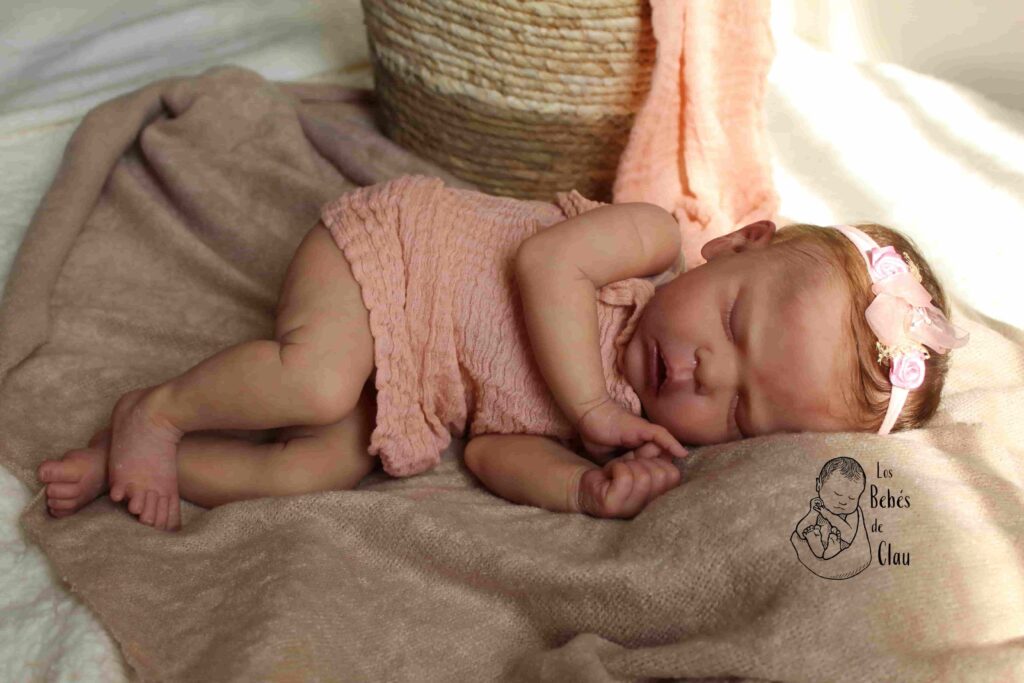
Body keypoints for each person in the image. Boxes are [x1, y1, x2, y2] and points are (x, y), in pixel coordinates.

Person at [35, 175, 968, 530]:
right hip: (401, 256)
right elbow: (544, 263)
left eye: (738, 409)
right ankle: (157, 408)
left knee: (316, 466)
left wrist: (584, 487)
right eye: (730, 324)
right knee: (315, 383)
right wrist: (592, 410)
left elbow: (488, 449)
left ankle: (140, 458)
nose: (703, 371)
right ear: (733, 246)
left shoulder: (625, 425)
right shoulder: (647, 241)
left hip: (413, 376)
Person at [796, 457, 866, 559]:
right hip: (819, 539)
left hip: (840, 544)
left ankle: (833, 547)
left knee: (837, 543)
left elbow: (849, 536)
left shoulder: (852, 514)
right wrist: (812, 513)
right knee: (806, 532)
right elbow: (800, 530)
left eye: (852, 498)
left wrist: (829, 515)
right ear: (819, 485)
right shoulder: (819, 505)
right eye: (837, 494)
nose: (843, 502)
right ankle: (815, 542)